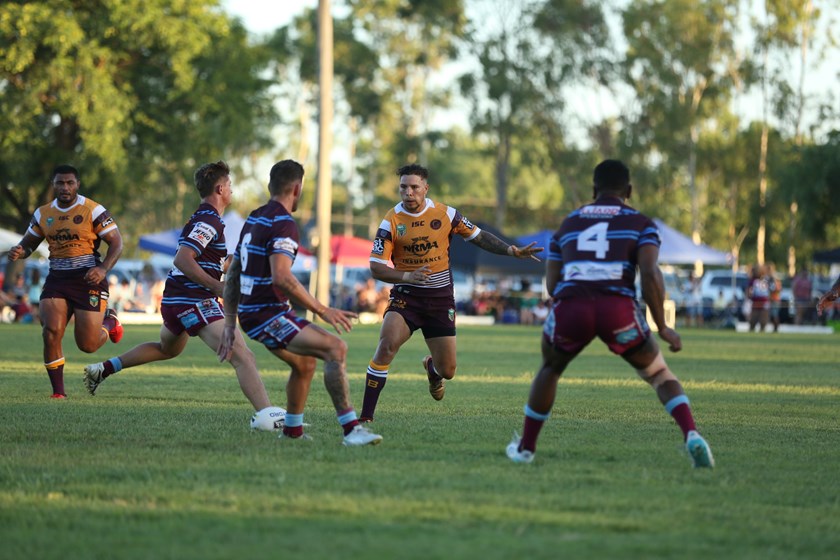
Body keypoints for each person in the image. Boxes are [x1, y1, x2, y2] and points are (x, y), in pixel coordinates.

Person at [505, 159, 714, 468]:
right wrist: (663, 326)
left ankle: (525, 448)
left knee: (550, 369)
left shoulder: (570, 222)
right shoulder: (641, 223)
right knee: (658, 373)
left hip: (573, 307)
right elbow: (651, 273)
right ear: (628, 190)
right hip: (618, 310)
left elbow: (552, 285)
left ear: (593, 189)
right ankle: (692, 434)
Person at [83, 161, 283, 427]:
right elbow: (182, 259)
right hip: (194, 300)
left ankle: (103, 369)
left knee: (167, 349)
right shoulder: (209, 220)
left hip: (178, 299)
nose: (232, 190)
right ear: (221, 188)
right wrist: (217, 287)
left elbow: (205, 259)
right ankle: (268, 416)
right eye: (231, 186)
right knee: (243, 356)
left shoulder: (206, 218)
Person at [217, 159, 382, 446]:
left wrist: (231, 322)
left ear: (271, 186)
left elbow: (233, 273)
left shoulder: (255, 218)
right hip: (268, 314)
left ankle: (292, 431)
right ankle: (352, 430)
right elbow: (281, 277)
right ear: (297, 188)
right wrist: (323, 309)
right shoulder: (283, 223)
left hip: (252, 314)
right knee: (336, 348)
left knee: (305, 364)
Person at [359, 163, 542, 423]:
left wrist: (512, 251)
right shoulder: (391, 221)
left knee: (449, 370)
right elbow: (376, 267)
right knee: (386, 346)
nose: (408, 192)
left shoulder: (446, 214)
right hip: (406, 298)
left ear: (425, 188)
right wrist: (407, 276)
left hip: (440, 299)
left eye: (414, 187)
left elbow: (479, 237)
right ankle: (365, 420)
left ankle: (432, 370)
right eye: (403, 187)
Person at [8, 164, 124, 399]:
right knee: (50, 331)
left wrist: (102, 269)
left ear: (77, 184)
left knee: (88, 345)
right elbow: (30, 242)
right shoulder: (43, 213)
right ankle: (58, 393)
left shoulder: (93, 209)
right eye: (60, 183)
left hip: (88, 278)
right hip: (57, 279)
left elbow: (117, 242)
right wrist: (21, 250)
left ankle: (109, 322)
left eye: (70, 183)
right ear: (53, 185)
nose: (65, 187)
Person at [747, 264, 770, 332]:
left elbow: (769, 290)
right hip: (756, 301)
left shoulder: (766, 279)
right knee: (754, 317)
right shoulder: (752, 281)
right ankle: (752, 329)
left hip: (764, 301)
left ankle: (762, 329)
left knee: (763, 318)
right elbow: (750, 291)